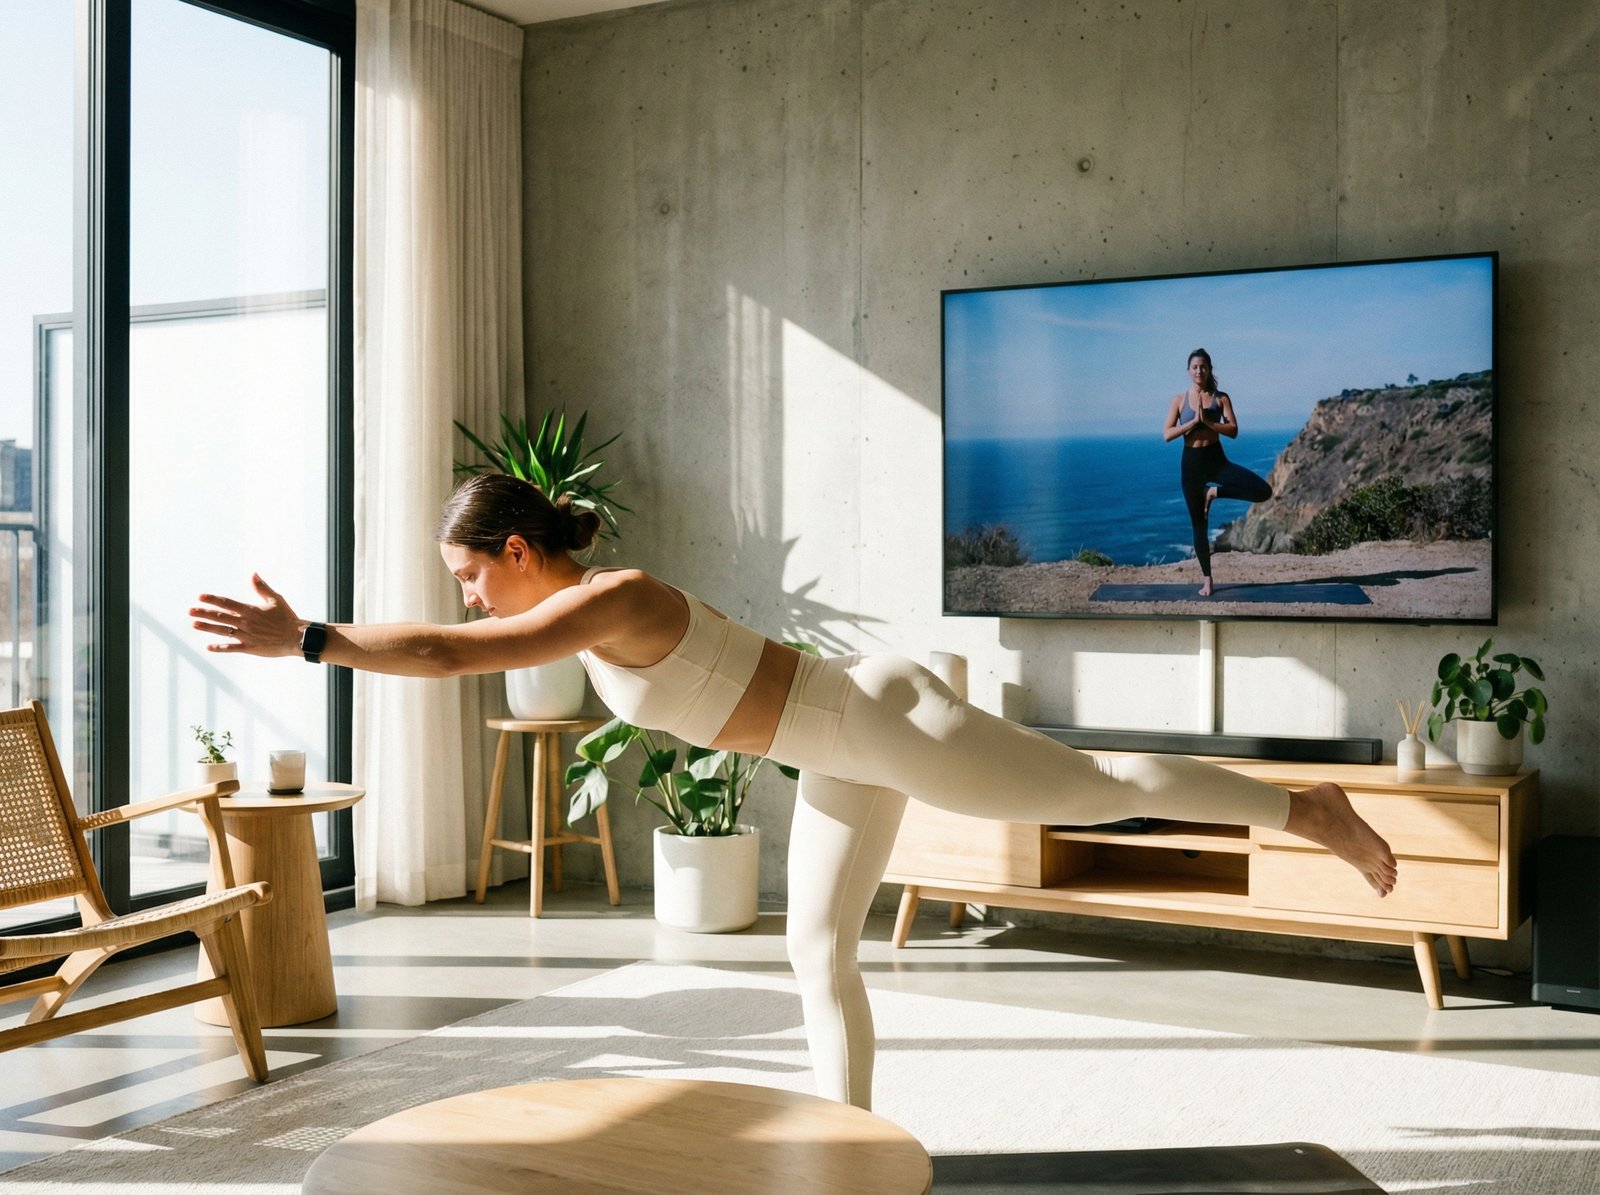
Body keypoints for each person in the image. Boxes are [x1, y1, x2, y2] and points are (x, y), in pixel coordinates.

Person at [189, 472, 1397, 1112]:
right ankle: (850, 1141)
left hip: (872, 718)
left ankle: (1310, 809)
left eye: (469, 574)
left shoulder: (614, 595)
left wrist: (309, 639)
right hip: (836, 748)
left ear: (519, 552)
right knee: (817, 953)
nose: (465, 598)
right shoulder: (581, 614)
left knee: (1080, 789)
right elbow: (467, 645)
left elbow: (455, 657)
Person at [1162, 347, 1273, 596]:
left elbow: (1233, 430)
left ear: (1209, 369)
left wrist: (1209, 423)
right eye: (1195, 367)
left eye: (1203, 366)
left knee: (1262, 491)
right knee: (1198, 526)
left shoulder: (1221, 397)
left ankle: (1213, 492)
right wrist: (1192, 423)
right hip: (1191, 465)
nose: (1199, 370)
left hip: (1216, 460)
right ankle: (1208, 580)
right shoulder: (1179, 400)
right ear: (1188, 371)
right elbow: (1167, 434)